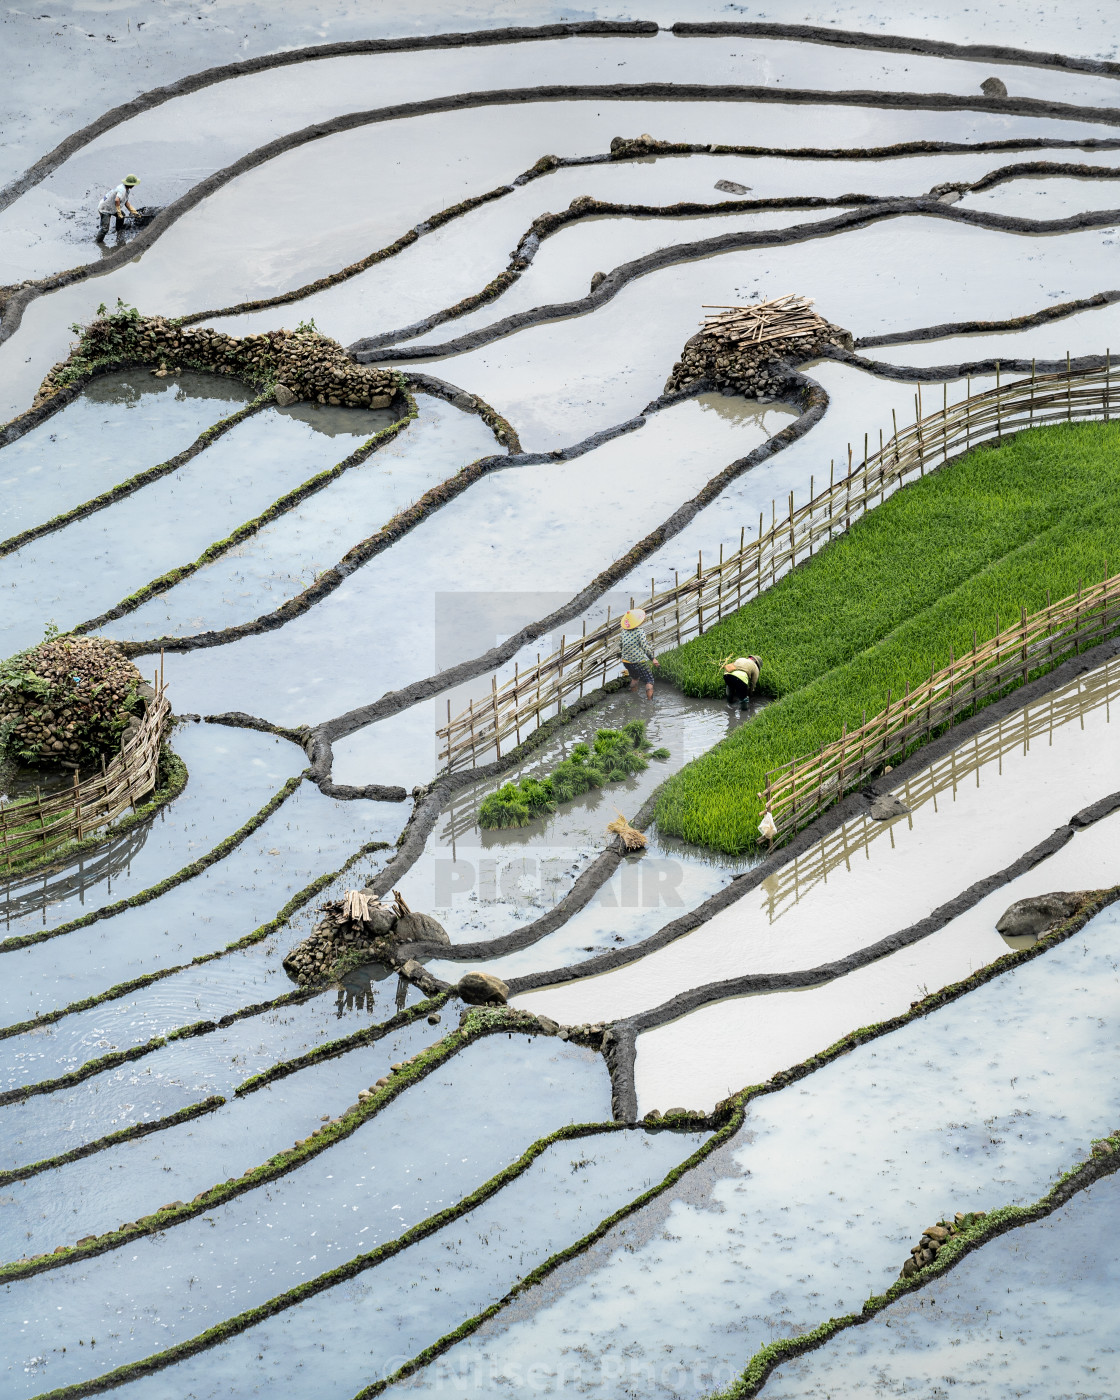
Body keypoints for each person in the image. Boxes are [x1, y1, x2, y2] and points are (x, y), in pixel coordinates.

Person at [619, 608, 659, 699]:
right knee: (649, 680)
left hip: (626, 662)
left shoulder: (623, 633)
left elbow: (620, 646)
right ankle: (650, 702)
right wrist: (653, 659)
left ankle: (634, 698)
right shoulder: (639, 631)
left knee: (635, 678)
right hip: (638, 661)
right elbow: (645, 647)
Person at [96, 174, 141, 241]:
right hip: (105, 208)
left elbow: (126, 203)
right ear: (131, 184)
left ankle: (119, 231)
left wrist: (134, 212)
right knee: (104, 229)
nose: (134, 185)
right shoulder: (122, 190)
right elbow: (117, 200)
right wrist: (119, 212)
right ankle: (98, 241)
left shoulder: (126, 190)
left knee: (122, 216)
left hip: (112, 207)